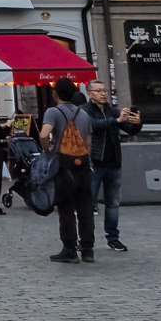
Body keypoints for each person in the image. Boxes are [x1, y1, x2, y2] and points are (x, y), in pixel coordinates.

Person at [81, 81, 141, 252]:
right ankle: (85, 239)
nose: (103, 94)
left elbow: (127, 128)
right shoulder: (85, 110)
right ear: (89, 93)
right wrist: (116, 120)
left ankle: (113, 238)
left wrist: (137, 123)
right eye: (98, 91)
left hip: (114, 163)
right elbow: (93, 125)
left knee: (113, 203)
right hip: (95, 163)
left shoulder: (111, 110)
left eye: (104, 90)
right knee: (88, 203)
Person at [40, 78, 95, 264]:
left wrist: (47, 150)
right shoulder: (84, 114)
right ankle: (88, 249)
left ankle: (69, 249)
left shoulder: (53, 112)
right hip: (84, 163)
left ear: (55, 94)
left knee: (66, 208)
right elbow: (88, 142)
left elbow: (43, 134)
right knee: (85, 207)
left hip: (63, 163)